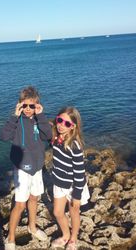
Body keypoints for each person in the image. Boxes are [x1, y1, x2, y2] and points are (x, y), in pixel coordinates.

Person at [0, 86, 52, 250]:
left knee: (34, 198)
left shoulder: (39, 119)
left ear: (37, 106)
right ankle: (11, 237)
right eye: (25, 106)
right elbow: (4, 136)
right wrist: (14, 116)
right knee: (20, 204)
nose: (28, 109)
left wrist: (41, 116)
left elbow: (48, 136)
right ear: (20, 105)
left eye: (32, 106)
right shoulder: (16, 121)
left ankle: (32, 227)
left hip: (37, 167)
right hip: (22, 168)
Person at [51, 106, 90, 250]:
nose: (61, 125)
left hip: (74, 186)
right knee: (57, 212)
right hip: (59, 182)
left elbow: (80, 172)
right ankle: (65, 235)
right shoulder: (55, 137)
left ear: (73, 126)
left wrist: (77, 195)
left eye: (66, 123)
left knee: (74, 212)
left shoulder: (75, 145)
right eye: (59, 120)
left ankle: (73, 239)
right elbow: (45, 124)